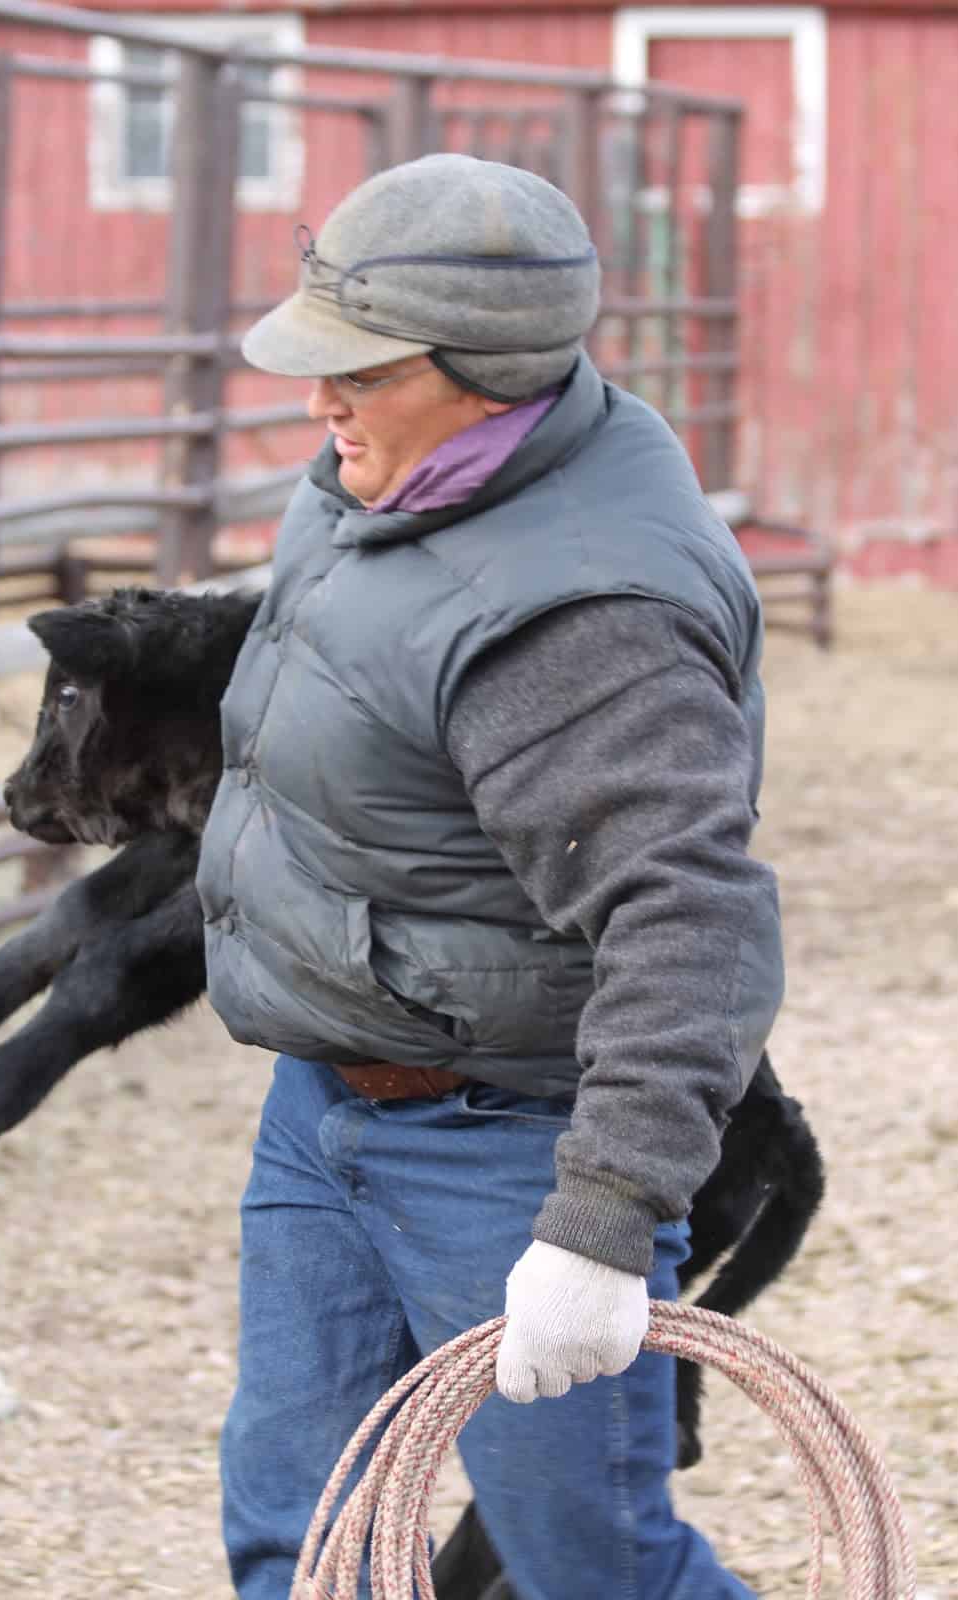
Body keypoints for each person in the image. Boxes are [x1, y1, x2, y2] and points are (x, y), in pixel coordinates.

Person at [196, 153, 784, 1600]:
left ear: (488, 374)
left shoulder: (584, 612)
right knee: (302, 1538)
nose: (317, 398)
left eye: (359, 371)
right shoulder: (384, 479)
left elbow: (686, 919)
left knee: (593, 1571)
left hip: (506, 1140)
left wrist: (596, 1225)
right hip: (330, 1095)